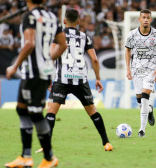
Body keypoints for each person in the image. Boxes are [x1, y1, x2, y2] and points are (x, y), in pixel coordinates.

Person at [5, 0, 67, 168]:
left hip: (34, 72)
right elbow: (63, 45)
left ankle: (49, 157)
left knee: (33, 113)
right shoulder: (52, 17)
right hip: (41, 71)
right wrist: (48, 59)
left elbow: (30, 43)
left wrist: (14, 65)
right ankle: (26, 157)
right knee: (22, 109)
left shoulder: (29, 16)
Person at [38, 8, 113, 152]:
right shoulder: (85, 37)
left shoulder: (57, 35)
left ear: (64, 21)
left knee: (51, 112)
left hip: (62, 79)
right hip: (80, 80)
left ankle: (45, 146)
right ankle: (106, 142)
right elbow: (95, 59)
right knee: (93, 111)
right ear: (78, 22)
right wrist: (98, 78)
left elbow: (50, 57)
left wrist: (48, 78)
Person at [125, 9, 156, 137]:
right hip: (137, 71)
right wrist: (128, 68)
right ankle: (149, 110)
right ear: (139, 19)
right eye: (143, 17)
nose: (146, 20)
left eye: (148, 17)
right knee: (140, 102)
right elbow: (128, 51)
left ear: (151, 19)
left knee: (144, 98)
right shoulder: (132, 35)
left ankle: (141, 130)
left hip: (151, 71)